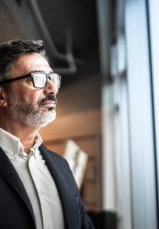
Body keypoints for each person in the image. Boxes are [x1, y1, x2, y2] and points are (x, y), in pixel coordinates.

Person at [0, 39, 94, 229]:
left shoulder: (62, 167)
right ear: (3, 95)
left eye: (52, 78)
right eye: (37, 78)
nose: (52, 89)